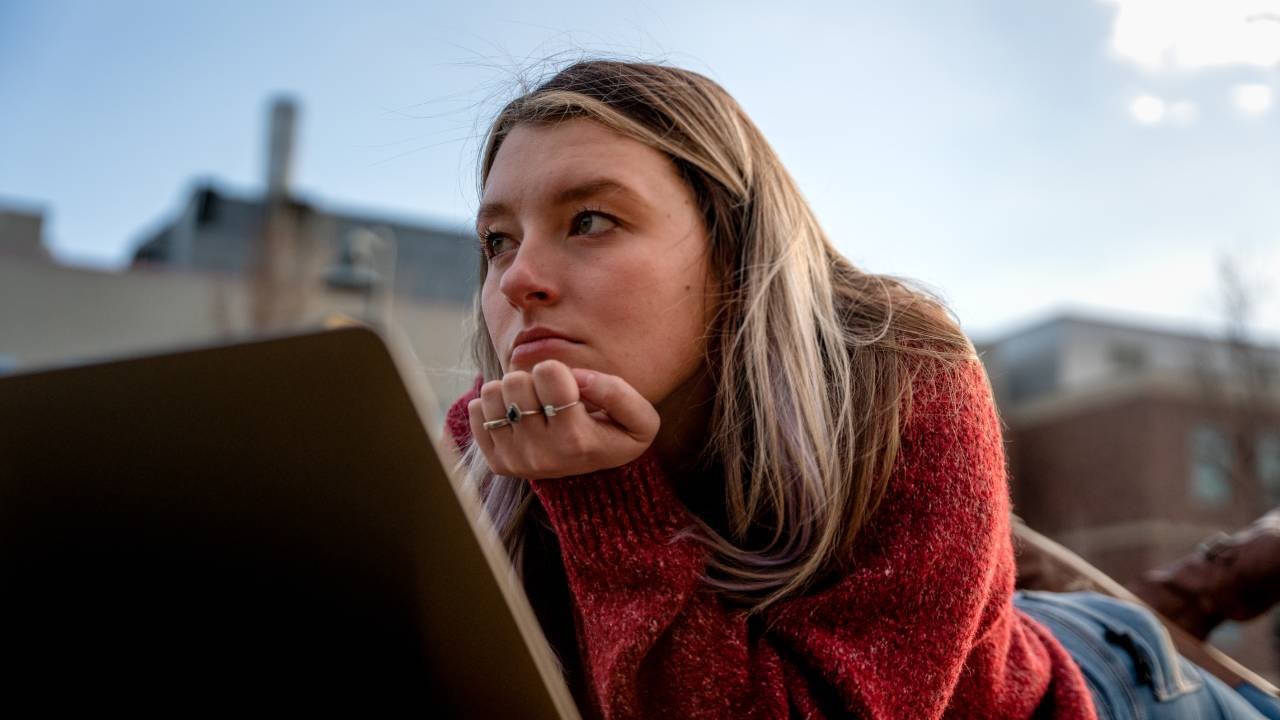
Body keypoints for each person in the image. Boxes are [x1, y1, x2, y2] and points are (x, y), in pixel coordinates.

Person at [442, 60, 1279, 719]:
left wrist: (601, 496)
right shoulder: (499, 441)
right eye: (497, 240)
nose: (520, 279)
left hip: (1111, 690)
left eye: (591, 219)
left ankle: (1225, 572)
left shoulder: (900, 380)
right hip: (984, 630)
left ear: (733, 247)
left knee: (1155, 630)